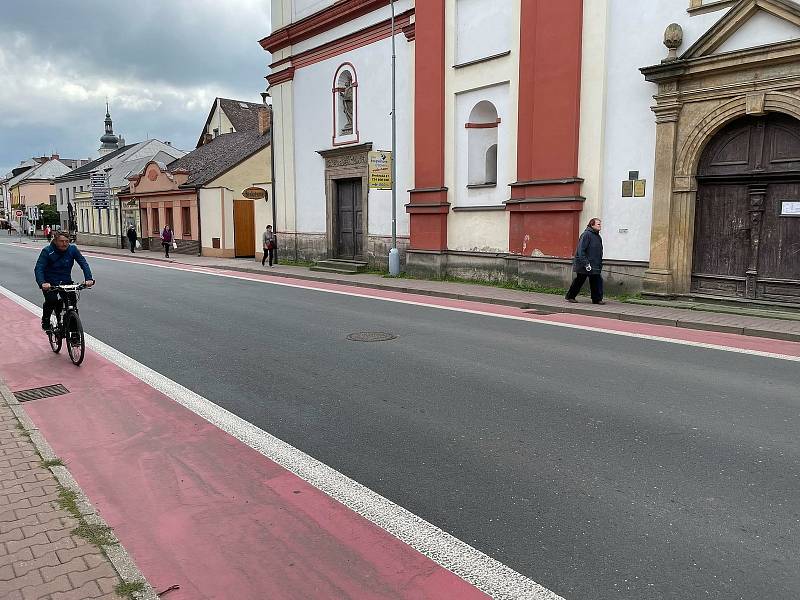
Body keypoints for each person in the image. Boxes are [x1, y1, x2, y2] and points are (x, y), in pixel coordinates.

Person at [34, 231, 95, 331]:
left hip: (66, 281)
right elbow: (39, 268)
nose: (64, 244)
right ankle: (45, 320)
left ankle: (74, 334)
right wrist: (42, 283)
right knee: (51, 300)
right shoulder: (47, 251)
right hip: (50, 283)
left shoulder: (72, 249)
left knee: (72, 305)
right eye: (61, 241)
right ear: (55, 241)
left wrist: (88, 278)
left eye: (67, 241)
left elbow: (83, 263)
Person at [565, 217, 605, 305]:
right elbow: (581, 250)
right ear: (592, 225)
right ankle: (571, 296)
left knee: (596, 281)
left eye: (600, 224)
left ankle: (597, 299)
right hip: (584, 264)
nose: (600, 226)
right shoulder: (586, 235)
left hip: (594, 264)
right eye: (598, 224)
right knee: (580, 280)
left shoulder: (597, 236)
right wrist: (586, 263)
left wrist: (599, 263)